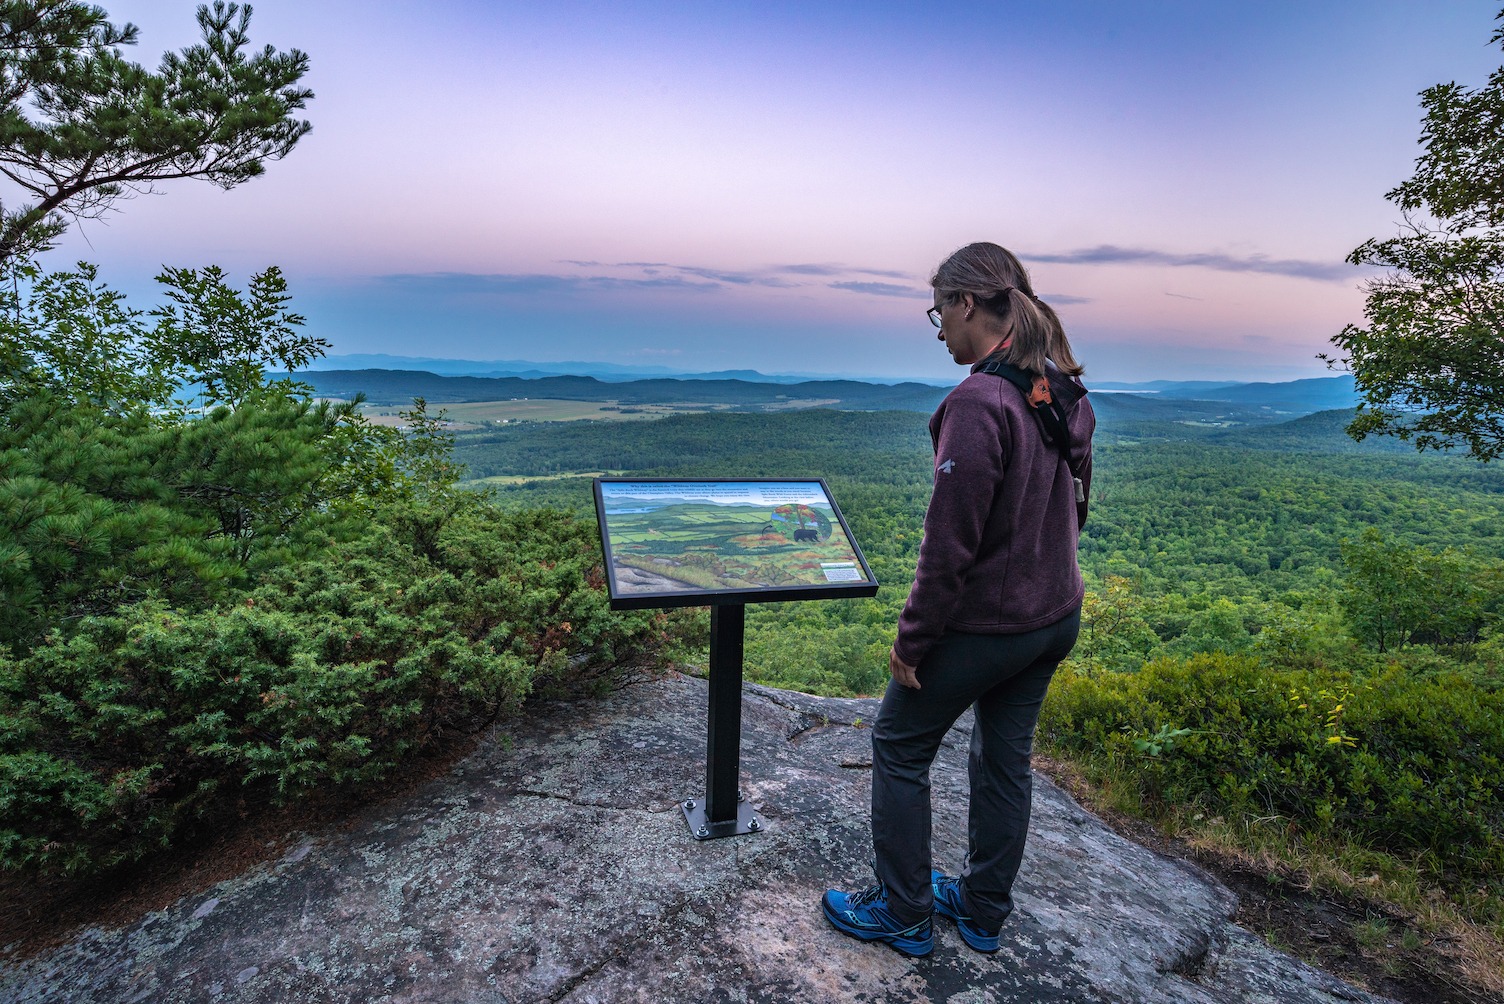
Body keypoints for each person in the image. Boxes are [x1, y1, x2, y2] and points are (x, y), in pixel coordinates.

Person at [821, 242, 1095, 957]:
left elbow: (948, 549)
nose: (939, 326)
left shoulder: (980, 400)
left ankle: (904, 911)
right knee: (1005, 761)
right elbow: (1077, 505)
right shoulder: (1059, 386)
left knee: (900, 745)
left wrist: (912, 643)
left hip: (989, 625)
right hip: (1054, 614)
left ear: (967, 303)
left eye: (939, 309)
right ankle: (981, 910)